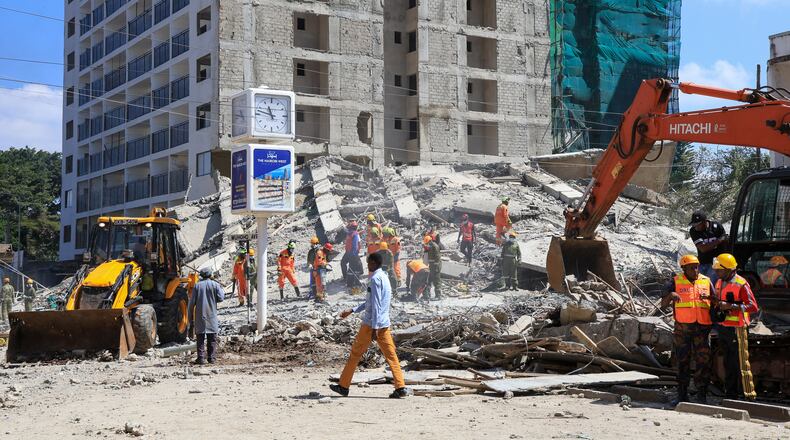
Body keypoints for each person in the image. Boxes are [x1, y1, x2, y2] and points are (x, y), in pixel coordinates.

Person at [330, 252, 410, 399]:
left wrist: (374, 328)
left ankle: (343, 386)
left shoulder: (375, 279)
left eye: (368, 263)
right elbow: (372, 302)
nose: (367, 265)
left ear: (373, 263)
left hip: (371, 325)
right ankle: (401, 387)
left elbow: (376, 304)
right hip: (383, 323)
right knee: (391, 356)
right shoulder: (384, 277)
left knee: (355, 354)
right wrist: (353, 310)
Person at [660, 254, 714, 404]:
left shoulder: (706, 281)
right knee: (682, 361)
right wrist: (671, 295)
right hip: (683, 330)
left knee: (703, 362)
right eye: (691, 268)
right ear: (683, 269)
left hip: (702, 329)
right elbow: (663, 305)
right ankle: (682, 396)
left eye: (696, 267)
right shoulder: (675, 282)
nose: (695, 270)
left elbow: (715, 301)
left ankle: (701, 396)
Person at [713, 253, 759, 400]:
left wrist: (731, 306)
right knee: (728, 361)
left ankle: (748, 395)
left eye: (719, 270)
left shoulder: (741, 283)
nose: (716, 272)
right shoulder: (719, 282)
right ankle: (731, 394)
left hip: (737, 328)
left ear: (728, 269)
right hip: (724, 326)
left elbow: (753, 307)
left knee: (740, 362)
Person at [188, 267, 225, 365]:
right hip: (211, 315)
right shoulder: (215, 285)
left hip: (200, 316)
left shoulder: (197, 286)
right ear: (210, 275)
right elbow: (221, 298)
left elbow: (191, 303)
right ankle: (211, 358)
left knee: (200, 338)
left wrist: (189, 317)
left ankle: (200, 358)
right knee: (212, 338)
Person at [689, 211, 728, 283]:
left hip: (716, 262)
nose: (695, 227)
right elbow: (703, 249)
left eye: (698, 224)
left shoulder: (716, 226)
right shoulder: (693, 231)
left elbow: (725, 241)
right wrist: (719, 240)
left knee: (711, 284)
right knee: (698, 283)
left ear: (704, 221)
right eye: (694, 224)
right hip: (702, 261)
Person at [341, 221, 364, 294]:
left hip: (349, 252)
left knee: (351, 268)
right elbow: (355, 245)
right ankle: (356, 285)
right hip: (353, 253)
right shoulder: (354, 234)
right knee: (356, 268)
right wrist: (354, 254)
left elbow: (354, 242)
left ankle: (350, 283)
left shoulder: (350, 233)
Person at [424, 235, 442, 300]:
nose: (426, 245)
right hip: (431, 266)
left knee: (436, 280)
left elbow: (437, 257)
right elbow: (426, 258)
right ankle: (427, 295)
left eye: (427, 243)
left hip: (436, 266)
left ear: (429, 241)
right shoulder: (429, 247)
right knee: (429, 280)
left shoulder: (435, 246)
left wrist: (436, 267)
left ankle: (438, 295)